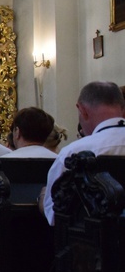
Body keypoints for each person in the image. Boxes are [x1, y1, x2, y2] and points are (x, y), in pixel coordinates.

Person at [42, 81, 125, 225]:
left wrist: (42, 199)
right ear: (122, 109)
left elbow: (56, 216)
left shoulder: (74, 152)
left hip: (94, 243)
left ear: (82, 111)